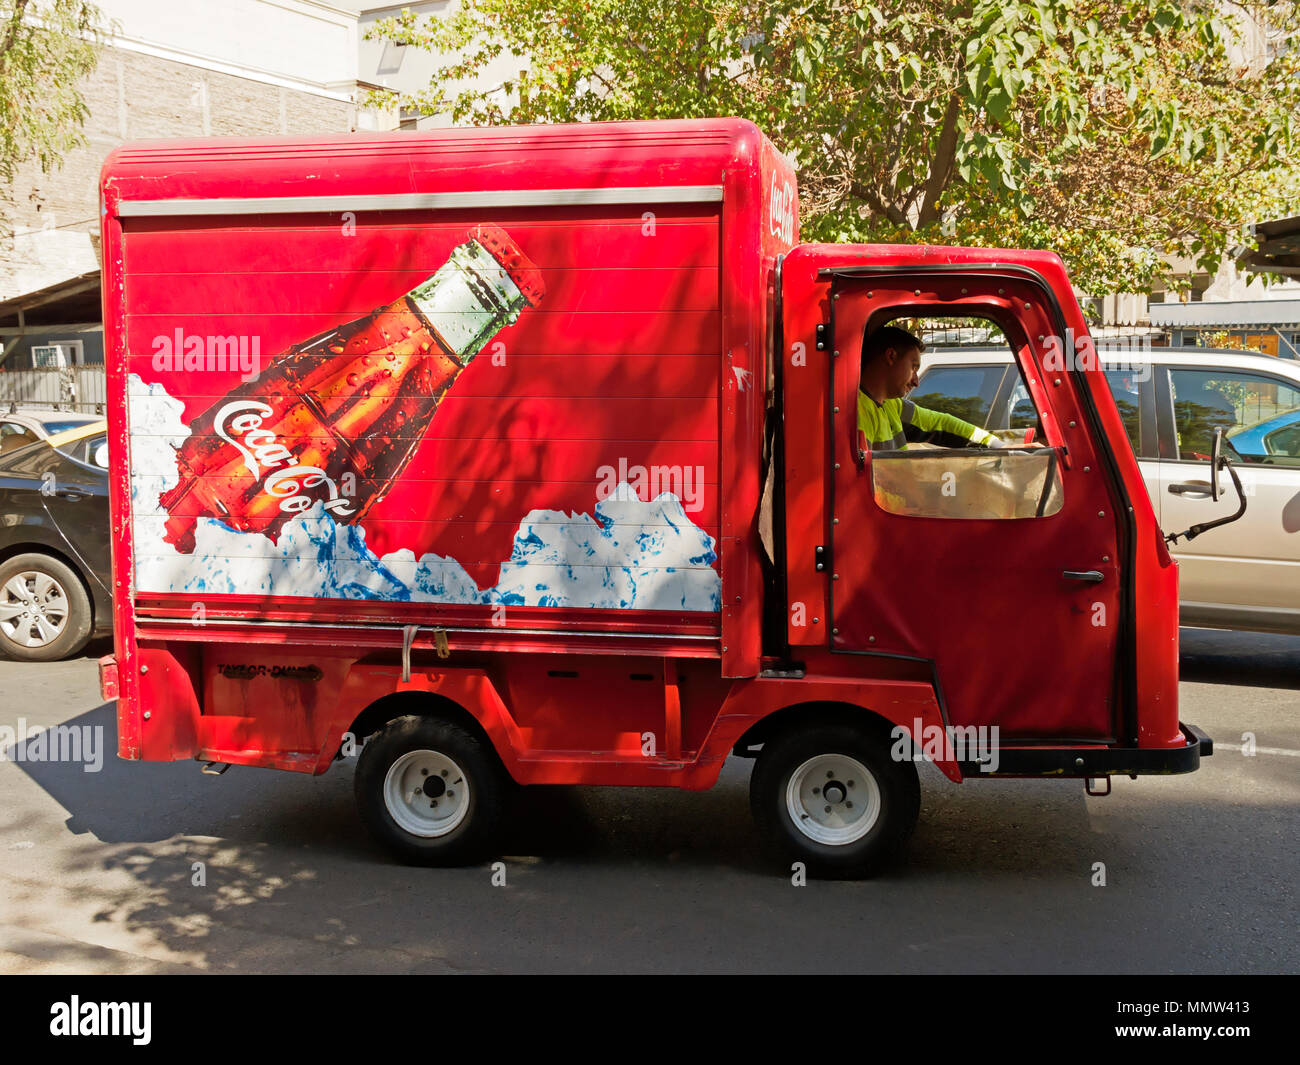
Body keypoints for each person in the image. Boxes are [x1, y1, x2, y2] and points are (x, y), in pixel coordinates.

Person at [857, 325, 1003, 451]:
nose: (916, 381)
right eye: (913, 368)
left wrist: (996, 445)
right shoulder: (859, 412)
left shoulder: (892, 405)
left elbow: (939, 423)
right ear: (891, 356)